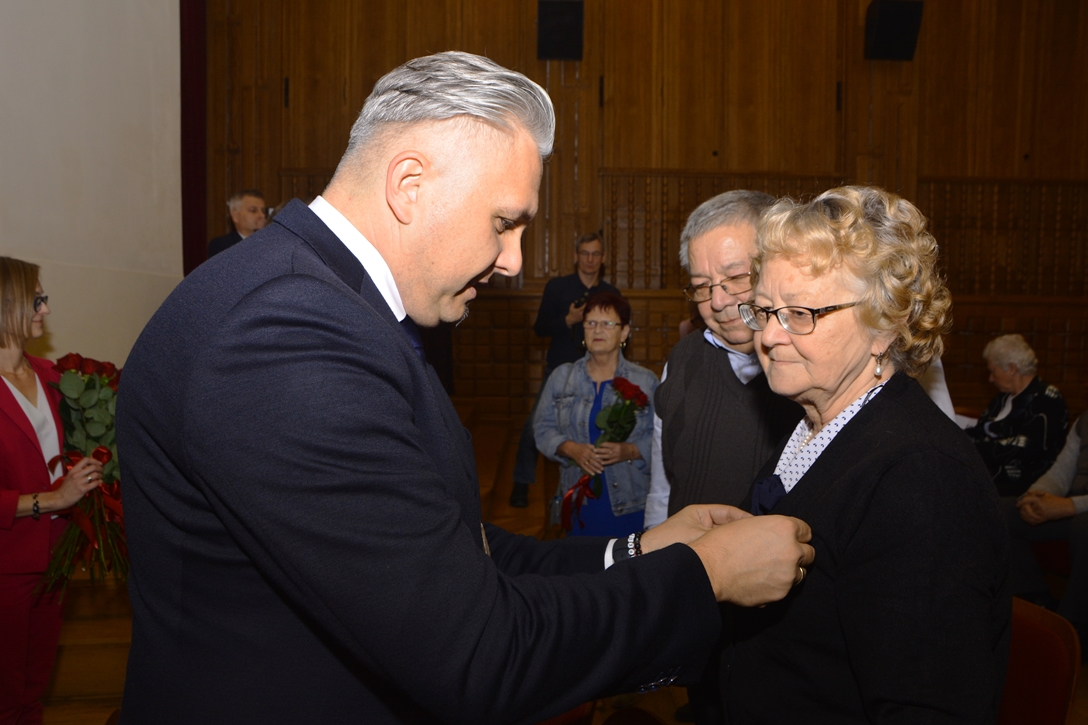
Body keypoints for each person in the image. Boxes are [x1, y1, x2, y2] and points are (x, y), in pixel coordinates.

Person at [116, 52, 815, 725]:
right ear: (409, 184)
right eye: (504, 223)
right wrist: (705, 575)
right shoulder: (283, 332)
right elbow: (480, 653)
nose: (513, 261)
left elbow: (448, 552)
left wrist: (640, 550)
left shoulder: (327, 305)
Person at [726, 186, 1010, 722]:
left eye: (800, 313)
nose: (769, 336)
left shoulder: (922, 479)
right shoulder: (813, 426)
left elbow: (927, 706)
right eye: (763, 310)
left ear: (883, 325)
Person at [644, 191, 802, 530]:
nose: (717, 301)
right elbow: (662, 487)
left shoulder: (813, 370)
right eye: (702, 285)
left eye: (736, 278)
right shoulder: (682, 360)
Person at [0, 257, 103, 725]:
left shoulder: (51, 375)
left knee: (33, 689)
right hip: (7, 561)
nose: (45, 309)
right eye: (36, 299)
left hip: (54, 554)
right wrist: (54, 500)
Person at [533, 291, 657, 536]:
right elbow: (542, 428)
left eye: (607, 323)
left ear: (624, 332)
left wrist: (631, 451)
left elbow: (664, 439)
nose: (597, 330)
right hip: (578, 503)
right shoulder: (562, 377)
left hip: (631, 503)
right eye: (590, 323)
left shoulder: (646, 381)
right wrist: (570, 448)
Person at [509, 232, 618, 507]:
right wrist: (568, 320)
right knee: (535, 426)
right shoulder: (557, 287)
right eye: (585, 253)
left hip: (598, 372)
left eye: (595, 254)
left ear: (603, 258)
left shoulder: (610, 294)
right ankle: (521, 483)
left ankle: (596, 483)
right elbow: (540, 328)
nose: (590, 259)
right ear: (575, 256)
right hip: (560, 372)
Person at [1004, 413, 1088, 653]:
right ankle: (1035, 604)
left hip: (1081, 513)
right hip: (1073, 509)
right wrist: (1035, 496)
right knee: (1004, 511)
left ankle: (1074, 630)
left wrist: (1070, 506)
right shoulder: (1083, 421)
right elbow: (1060, 474)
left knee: (1084, 526)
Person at [966, 334, 1068, 497]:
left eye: (993, 371)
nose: (990, 379)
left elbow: (1023, 450)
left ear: (1012, 369)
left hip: (1024, 489)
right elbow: (978, 432)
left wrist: (970, 449)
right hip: (987, 480)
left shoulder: (1047, 398)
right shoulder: (1001, 399)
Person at [206, 189, 268, 257]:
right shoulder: (222, 245)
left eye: (263, 211)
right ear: (235, 216)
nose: (262, 215)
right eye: (253, 210)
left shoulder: (269, 242)